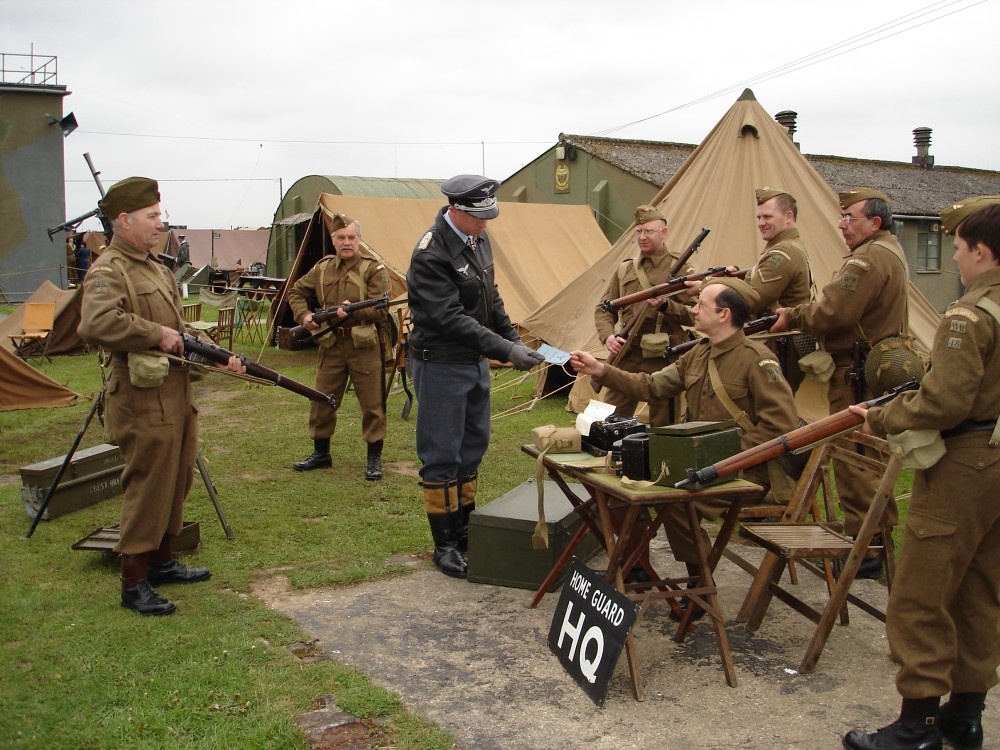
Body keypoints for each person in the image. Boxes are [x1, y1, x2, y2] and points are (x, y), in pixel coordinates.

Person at [842, 198, 1000, 750]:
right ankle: (966, 714)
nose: (955, 259)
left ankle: (918, 726)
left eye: (957, 248)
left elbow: (944, 403)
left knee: (920, 595)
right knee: (981, 589)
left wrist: (883, 415)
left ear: (981, 251)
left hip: (963, 464)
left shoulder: (969, 317)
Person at [572, 277, 799, 615]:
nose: (692, 309)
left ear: (723, 315)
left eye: (700, 305)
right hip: (696, 463)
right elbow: (650, 386)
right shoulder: (698, 354)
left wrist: (720, 453)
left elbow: (781, 425)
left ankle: (699, 580)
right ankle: (638, 567)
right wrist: (602, 370)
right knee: (617, 477)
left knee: (676, 499)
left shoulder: (757, 360)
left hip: (747, 470)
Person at [77, 177, 244, 616]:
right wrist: (157, 335)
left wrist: (216, 354)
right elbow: (95, 324)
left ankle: (162, 561)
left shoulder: (153, 266)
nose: (160, 223)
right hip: (139, 393)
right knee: (149, 483)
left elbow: (177, 329)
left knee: (177, 475)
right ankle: (134, 580)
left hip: (174, 388)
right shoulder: (109, 269)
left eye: (159, 215)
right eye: (151, 217)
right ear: (124, 220)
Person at [406, 174, 544, 578]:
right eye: (478, 217)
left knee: (472, 448)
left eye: (488, 216)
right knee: (442, 454)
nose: (486, 224)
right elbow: (448, 318)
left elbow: (490, 294)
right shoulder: (431, 253)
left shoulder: (477, 239)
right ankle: (445, 545)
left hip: (473, 361)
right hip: (442, 362)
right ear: (455, 210)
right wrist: (504, 350)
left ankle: (465, 531)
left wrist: (512, 336)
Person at [771, 187, 907, 578]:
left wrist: (793, 316)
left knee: (856, 458)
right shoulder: (886, 251)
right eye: (843, 216)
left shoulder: (868, 259)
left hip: (856, 372)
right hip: (865, 367)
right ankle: (872, 540)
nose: (842, 224)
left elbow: (832, 311)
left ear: (875, 223)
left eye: (851, 218)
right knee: (867, 457)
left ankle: (868, 547)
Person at [288, 214, 391, 480]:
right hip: (331, 345)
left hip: (364, 345)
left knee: (372, 404)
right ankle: (321, 454)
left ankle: (373, 458)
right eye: (341, 238)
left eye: (351, 237)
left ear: (359, 240)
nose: (346, 242)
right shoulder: (322, 269)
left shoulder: (373, 269)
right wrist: (305, 317)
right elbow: (296, 292)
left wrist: (353, 313)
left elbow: (381, 311)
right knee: (321, 399)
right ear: (333, 240)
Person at [594, 204, 695, 426]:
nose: (642, 237)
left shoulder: (681, 269)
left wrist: (666, 306)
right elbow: (604, 308)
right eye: (638, 232)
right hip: (628, 353)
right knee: (610, 418)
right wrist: (608, 336)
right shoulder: (625, 270)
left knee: (663, 425)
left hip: (663, 357)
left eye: (649, 231)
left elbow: (695, 316)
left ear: (664, 232)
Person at [746, 187, 814, 392]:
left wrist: (707, 287)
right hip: (780, 341)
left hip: (780, 344)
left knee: (774, 404)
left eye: (767, 216)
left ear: (788, 217)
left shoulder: (783, 252)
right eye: (759, 217)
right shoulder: (786, 246)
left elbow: (754, 298)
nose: (761, 223)